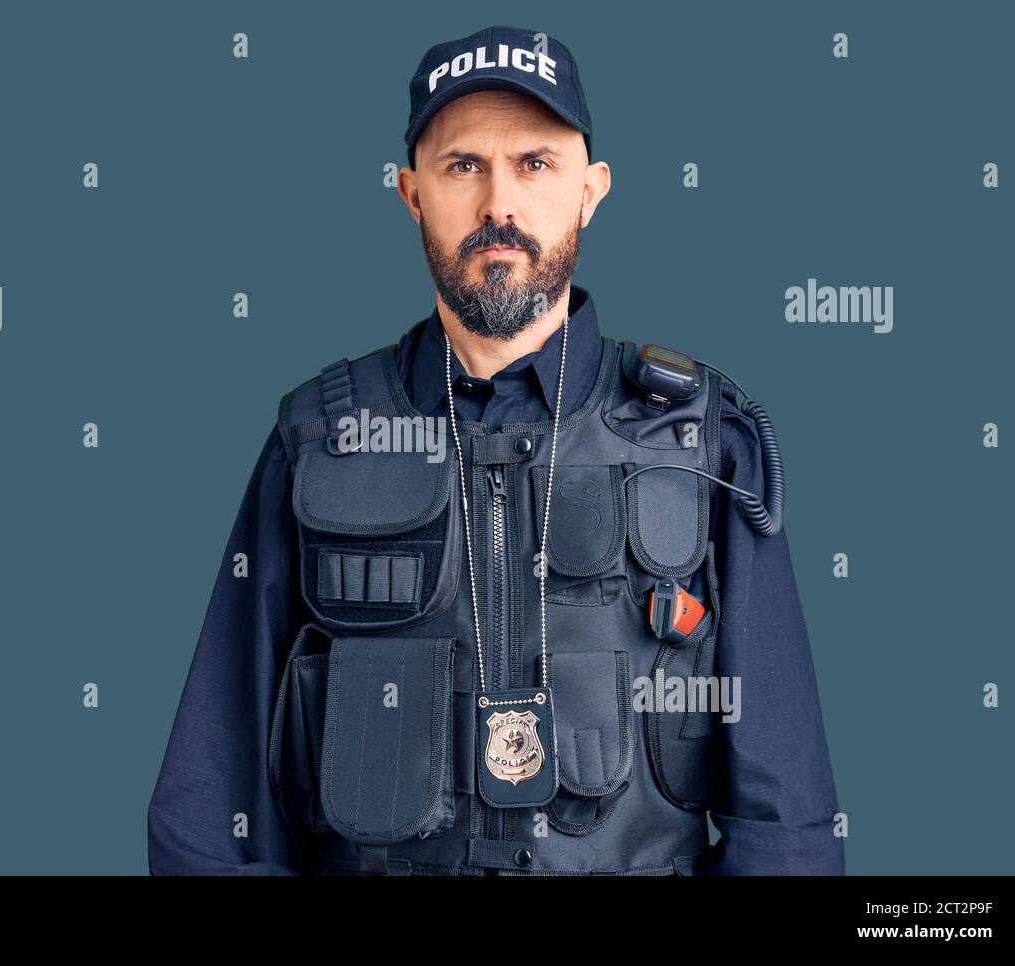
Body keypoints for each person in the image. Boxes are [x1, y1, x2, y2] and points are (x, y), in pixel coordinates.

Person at [148, 24, 844, 876]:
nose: (498, 208)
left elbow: (789, 818)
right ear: (411, 194)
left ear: (592, 190)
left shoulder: (700, 444)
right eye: (462, 165)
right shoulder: (318, 441)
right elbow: (207, 804)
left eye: (536, 164)